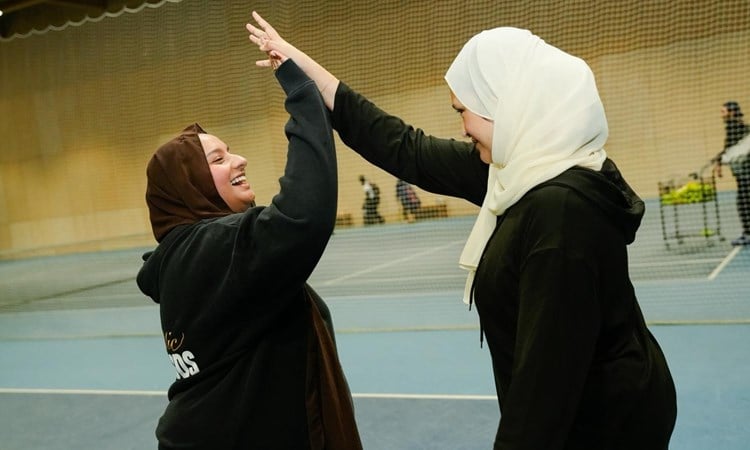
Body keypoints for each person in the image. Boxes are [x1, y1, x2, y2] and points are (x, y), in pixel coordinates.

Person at [248, 11, 676, 449]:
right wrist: (301, 67)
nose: (463, 126)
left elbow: (544, 390)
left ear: (507, 106)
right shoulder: (520, 169)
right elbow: (404, 147)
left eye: (464, 111)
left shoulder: (561, 213)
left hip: (603, 426)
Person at [135, 41, 362, 449]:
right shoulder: (205, 250)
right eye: (219, 160)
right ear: (191, 187)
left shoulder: (189, 257)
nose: (239, 159)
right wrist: (303, 96)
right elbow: (302, 217)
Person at [713, 101, 750, 245]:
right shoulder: (732, 128)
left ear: (732, 112)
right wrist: (718, 162)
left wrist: (720, 161)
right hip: (741, 174)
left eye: (723, 112)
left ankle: (748, 233)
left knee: (744, 203)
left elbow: (736, 150)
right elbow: (728, 149)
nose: (721, 115)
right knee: (743, 202)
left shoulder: (738, 128)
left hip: (747, 173)